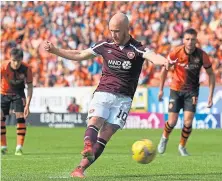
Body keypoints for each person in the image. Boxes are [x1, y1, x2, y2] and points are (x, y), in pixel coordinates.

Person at [44, 12, 169, 178]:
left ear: (126, 29)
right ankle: (88, 145)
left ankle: (79, 169)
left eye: (117, 31)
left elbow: (152, 56)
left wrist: (165, 61)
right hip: (104, 92)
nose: (113, 34)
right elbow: (80, 54)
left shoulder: (136, 47)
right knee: (95, 120)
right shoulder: (105, 45)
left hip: (124, 99)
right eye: (111, 30)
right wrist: (55, 50)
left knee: (106, 134)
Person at [157, 28, 215, 156]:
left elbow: (211, 74)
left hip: (192, 91)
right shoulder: (176, 52)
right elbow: (164, 69)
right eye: (187, 39)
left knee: (188, 122)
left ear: (196, 40)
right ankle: (164, 138)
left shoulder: (202, 55)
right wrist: (161, 89)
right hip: (176, 89)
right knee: (172, 121)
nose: (190, 42)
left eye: (192, 39)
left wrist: (210, 95)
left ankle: (182, 146)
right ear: (183, 40)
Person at [1, 48, 33, 155]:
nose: (16, 63)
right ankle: (3, 146)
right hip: (3, 93)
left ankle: (19, 147)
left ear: (22, 59)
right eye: (14, 60)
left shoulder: (26, 68)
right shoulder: (3, 66)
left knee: (20, 118)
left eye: (18, 61)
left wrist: (27, 105)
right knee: (0, 118)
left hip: (18, 94)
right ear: (10, 59)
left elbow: (30, 87)